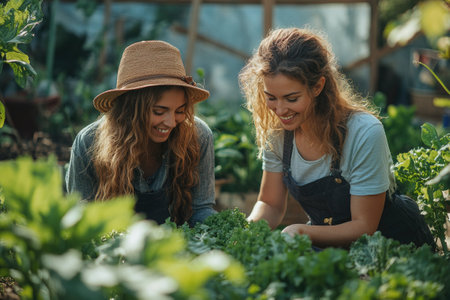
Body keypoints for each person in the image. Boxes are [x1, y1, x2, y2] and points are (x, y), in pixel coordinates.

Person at [239, 27, 435, 249]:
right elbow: (270, 204)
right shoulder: (278, 135)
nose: (280, 109)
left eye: (292, 99)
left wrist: (301, 230)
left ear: (318, 87)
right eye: (271, 97)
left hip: (391, 248)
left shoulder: (363, 132)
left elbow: (364, 226)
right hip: (329, 248)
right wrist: (246, 232)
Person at [66, 40, 216, 226]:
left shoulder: (198, 136)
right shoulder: (88, 143)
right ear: (131, 110)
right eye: (159, 112)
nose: (170, 123)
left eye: (179, 111)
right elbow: (82, 217)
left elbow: (201, 209)